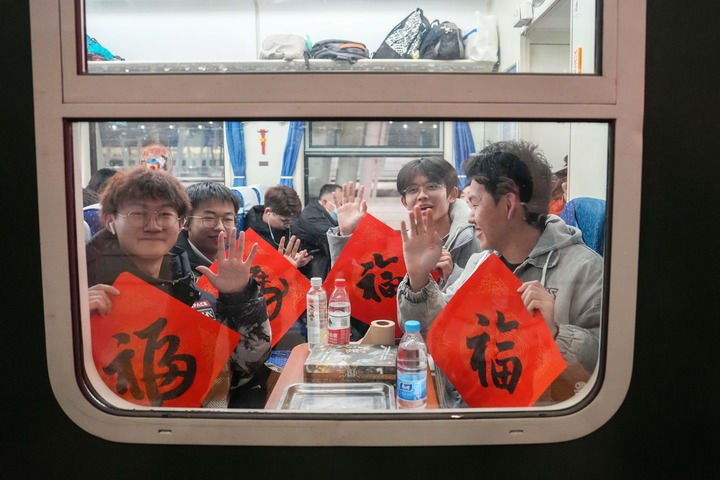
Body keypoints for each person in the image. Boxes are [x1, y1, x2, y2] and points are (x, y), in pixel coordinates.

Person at [397, 140, 602, 407]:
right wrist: (418, 278)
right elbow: (437, 332)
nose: (470, 218)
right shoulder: (481, 262)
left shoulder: (586, 271)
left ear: (508, 204)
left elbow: (604, 366)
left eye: (475, 204)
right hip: (469, 411)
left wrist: (554, 333)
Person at [86, 167, 272, 408]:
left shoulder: (190, 293)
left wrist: (240, 298)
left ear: (180, 222)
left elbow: (237, 370)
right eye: (138, 214)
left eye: (165, 214)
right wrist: (73, 324)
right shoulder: (81, 290)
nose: (153, 225)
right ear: (110, 220)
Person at [328, 156, 482, 288]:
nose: (422, 195)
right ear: (404, 201)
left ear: (452, 194)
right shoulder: (397, 247)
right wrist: (346, 234)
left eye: (432, 187)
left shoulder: (479, 238)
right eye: (413, 190)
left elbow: (490, 297)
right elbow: (349, 288)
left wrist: (453, 275)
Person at [293, 183, 342, 280]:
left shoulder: (323, 213)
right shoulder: (311, 217)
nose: (342, 208)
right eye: (339, 204)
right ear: (324, 202)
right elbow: (336, 240)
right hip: (313, 270)